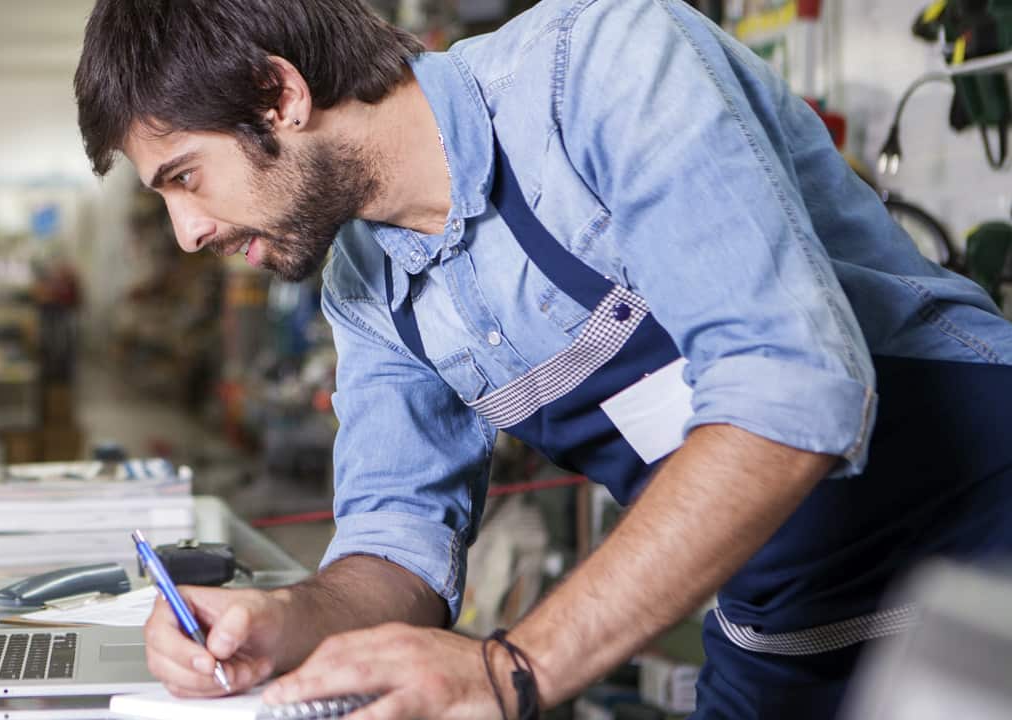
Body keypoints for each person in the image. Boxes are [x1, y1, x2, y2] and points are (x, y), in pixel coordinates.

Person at [71, 0, 1012, 718]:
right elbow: (397, 540)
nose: (186, 231)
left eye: (184, 177)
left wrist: (511, 666)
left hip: (984, 572)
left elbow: (789, 390)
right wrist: (290, 617)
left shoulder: (604, 70)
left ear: (280, 95)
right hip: (781, 622)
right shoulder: (365, 285)